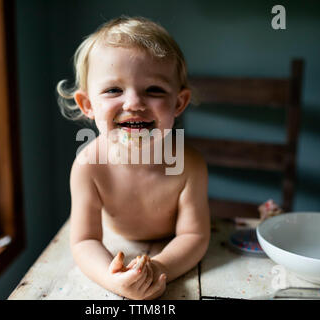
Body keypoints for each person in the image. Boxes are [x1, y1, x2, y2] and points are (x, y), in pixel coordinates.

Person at [57, 16, 210, 300]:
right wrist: (110, 278)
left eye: (154, 90)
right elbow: (84, 240)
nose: (134, 103)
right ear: (88, 105)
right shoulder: (88, 167)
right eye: (114, 90)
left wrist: (160, 267)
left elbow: (195, 236)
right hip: (117, 244)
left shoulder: (189, 165)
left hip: (168, 247)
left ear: (178, 103)